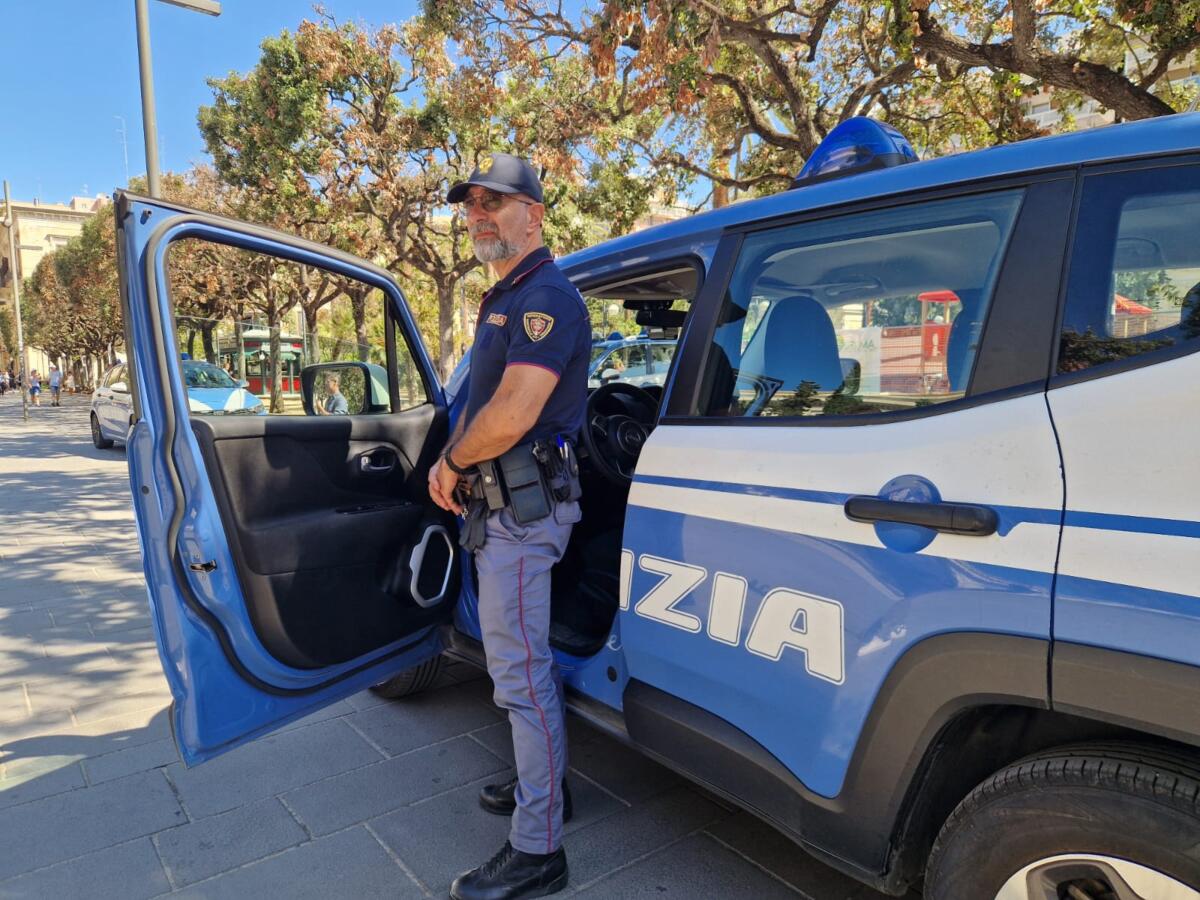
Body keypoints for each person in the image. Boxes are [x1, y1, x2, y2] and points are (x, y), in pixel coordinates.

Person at [429, 153, 590, 900]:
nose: (480, 214)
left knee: (521, 676)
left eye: (497, 201)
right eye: (471, 205)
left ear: (536, 213)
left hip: (523, 511)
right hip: (504, 508)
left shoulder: (545, 299)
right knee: (518, 669)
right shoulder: (508, 294)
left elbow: (517, 410)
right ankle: (544, 787)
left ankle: (538, 849)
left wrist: (450, 463)